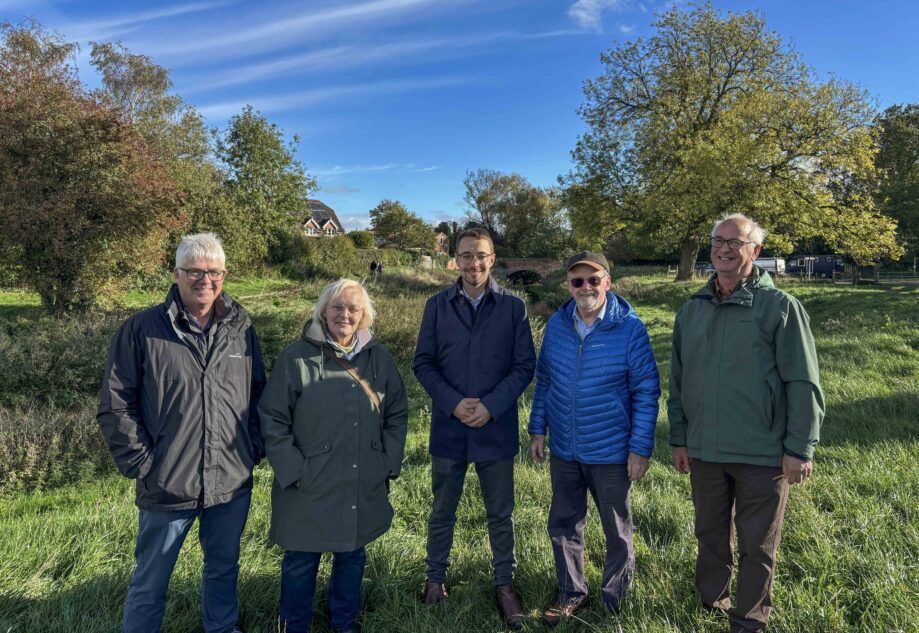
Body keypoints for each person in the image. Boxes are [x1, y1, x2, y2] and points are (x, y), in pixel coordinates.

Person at [98, 233, 265, 633]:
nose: (204, 280)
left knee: (223, 571)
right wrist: (144, 462)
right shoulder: (142, 329)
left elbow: (259, 394)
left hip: (230, 481)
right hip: (168, 482)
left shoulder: (240, 328)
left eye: (213, 272)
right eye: (194, 271)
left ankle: (221, 629)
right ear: (176, 274)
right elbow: (115, 402)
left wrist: (252, 449)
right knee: (151, 580)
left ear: (224, 275)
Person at [669, 213, 824, 633]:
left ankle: (749, 620)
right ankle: (711, 602)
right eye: (718, 240)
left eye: (735, 242)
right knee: (709, 535)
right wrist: (680, 439)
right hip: (704, 450)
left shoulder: (780, 308)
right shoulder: (691, 311)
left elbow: (803, 381)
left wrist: (799, 448)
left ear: (755, 251)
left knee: (758, 544)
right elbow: (678, 381)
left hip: (763, 451)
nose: (724, 248)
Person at [259, 279, 408, 633]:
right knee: (301, 557)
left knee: (352, 553)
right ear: (323, 310)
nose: (345, 314)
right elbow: (272, 418)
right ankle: (294, 625)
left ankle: (344, 622)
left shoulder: (380, 358)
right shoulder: (295, 357)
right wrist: (293, 470)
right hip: (309, 479)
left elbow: (397, 412)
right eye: (337, 307)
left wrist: (386, 463)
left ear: (364, 315)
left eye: (353, 308)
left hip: (361, 475)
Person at [527, 252, 661, 625]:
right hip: (565, 448)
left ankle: (616, 600)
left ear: (608, 281)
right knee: (565, 523)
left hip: (611, 449)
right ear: (568, 286)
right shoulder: (556, 325)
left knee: (616, 529)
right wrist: (537, 428)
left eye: (593, 280)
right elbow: (546, 381)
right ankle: (571, 593)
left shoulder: (629, 327)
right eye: (577, 282)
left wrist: (639, 448)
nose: (586, 287)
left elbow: (647, 390)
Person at [413, 227, 536, 630]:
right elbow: (423, 363)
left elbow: (524, 367)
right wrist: (452, 403)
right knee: (441, 511)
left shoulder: (514, 308)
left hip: (495, 427)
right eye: (466, 255)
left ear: (493, 258)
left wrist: (492, 406)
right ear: (456, 259)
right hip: (449, 429)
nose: (473, 263)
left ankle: (504, 585)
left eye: (480, 255)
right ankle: (435, 579)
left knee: (500, 513)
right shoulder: (436, 306)